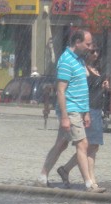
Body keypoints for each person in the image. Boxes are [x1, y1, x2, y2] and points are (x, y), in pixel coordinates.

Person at [35, 29, 104, 193]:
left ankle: (42, 177)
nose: (89, 48)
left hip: (79, 109)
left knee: (61, 144)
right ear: (77, 42)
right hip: (70, 109)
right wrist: (64, 116)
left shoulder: (79, 60)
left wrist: (86, 112)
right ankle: (89, 184)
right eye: (87, 44)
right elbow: (61, 90)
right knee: (83, 144)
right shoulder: (66, 60)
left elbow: (82, 89)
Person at [56, 45, 109, 192]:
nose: (96, 54)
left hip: (97, 109)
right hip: (87, 108)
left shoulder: (98, 70)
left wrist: (105, 85)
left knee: (93, 146)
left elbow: (99, 86)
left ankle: (66, 169)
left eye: (98, 51)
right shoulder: (82, 67)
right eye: (93, 51)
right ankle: (91, 180)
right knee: (87, 146)